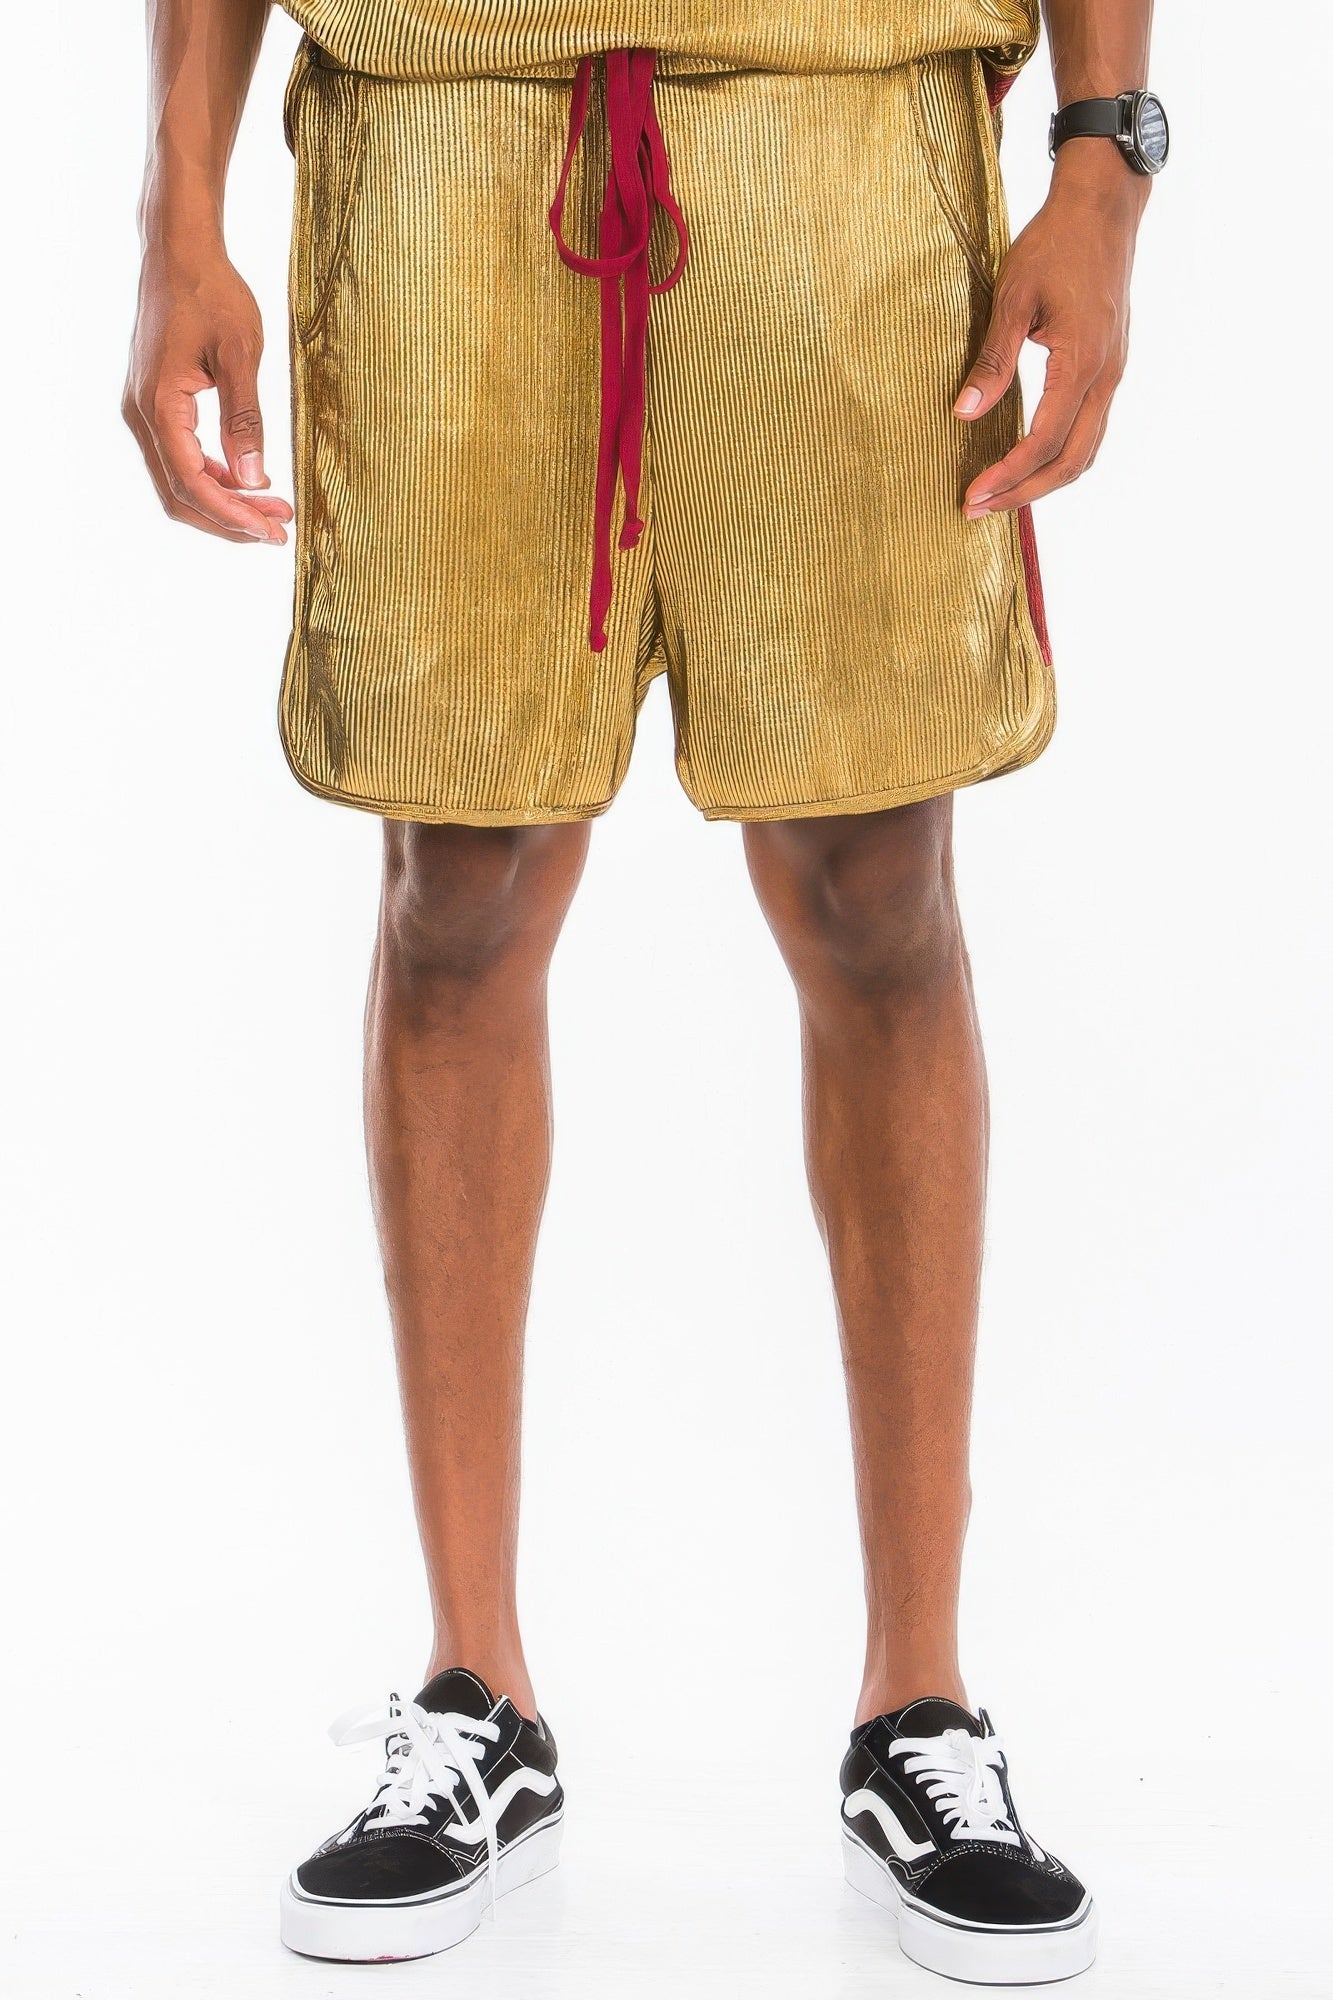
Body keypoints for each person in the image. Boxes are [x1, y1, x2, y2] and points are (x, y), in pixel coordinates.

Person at [124, 0, 1164, 1981]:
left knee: (877, 885)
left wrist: (1103, 160)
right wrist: (178, 203)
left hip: (843, 119)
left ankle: (919, 1701)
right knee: (457, 885)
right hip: (445, 117)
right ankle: (475, 1692)